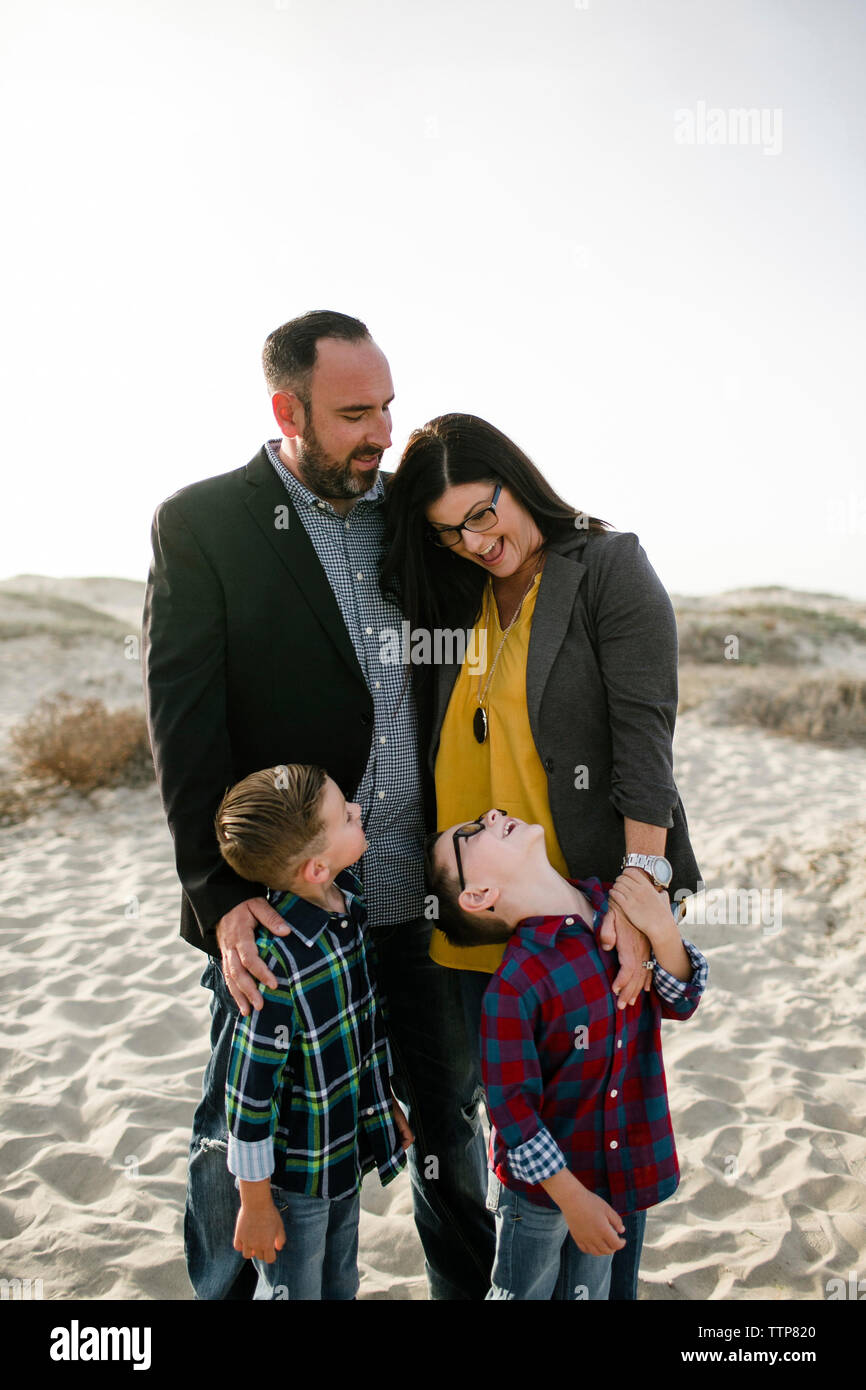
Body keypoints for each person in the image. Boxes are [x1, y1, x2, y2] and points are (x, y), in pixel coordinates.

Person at [143, 312, 494, 1300]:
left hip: (423, 896)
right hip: (285, 906)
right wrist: (219, 898)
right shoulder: (205, 522)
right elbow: (185, 723)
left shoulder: (419, 517)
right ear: (284, 408)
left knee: (446, 1131)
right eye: (352, 414)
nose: (380, 431)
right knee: (241, 1131)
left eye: (386, 407)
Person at [381, 413, 703, 1298]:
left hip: (581, 910)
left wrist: (641, 897)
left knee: (595, 1126)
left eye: (485, 514)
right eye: (450, 529)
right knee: (463, 1129)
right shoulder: (454, 592)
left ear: (517, 480)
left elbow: (646, 739)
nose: (477, 541)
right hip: (472, 904)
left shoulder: (606, 567)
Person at [426, 808, 708, 1300]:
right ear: (478, 896)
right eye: (471, 833)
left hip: (610, 1172)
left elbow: (680, 1000)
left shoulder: (616, 913)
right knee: (522, 1291)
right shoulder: (515, 984)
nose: (491, 813)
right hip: (541, 1195)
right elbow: (513, 1114)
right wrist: (571, 1199)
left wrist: (661, 930)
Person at [214, 763, 412, 1300]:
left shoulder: (353, 914)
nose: (359, 810)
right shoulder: (274, 965)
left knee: (340, 1281)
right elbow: (249, 1096)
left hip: (343, 1155)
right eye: (345, 813)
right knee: (292, 1290)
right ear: (317, 867)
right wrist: (254, 1202)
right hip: (292, 1181)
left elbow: (363, 1035)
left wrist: (385, 1104)